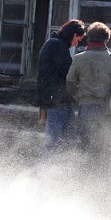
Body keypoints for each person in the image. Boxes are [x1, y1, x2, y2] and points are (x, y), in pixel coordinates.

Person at [66, 22, 111, 159]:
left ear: (89, 38)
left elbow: (70, 82)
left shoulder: (79, 58)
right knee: (104, 144)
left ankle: (87, 175)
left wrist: (77, 98)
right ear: (106, 39)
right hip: (107, 108)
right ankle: (101, 175)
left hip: (86, 108)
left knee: (86, 143)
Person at [36, 19, 86, 158]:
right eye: (78, 39)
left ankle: (62, 169)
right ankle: (41, 171)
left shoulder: (56, 44)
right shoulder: (57, 46)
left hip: (62, 99)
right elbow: (69, 73)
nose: (76, 43)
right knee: (53, 138)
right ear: (74, 34)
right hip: (56, 99)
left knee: (69, 137)